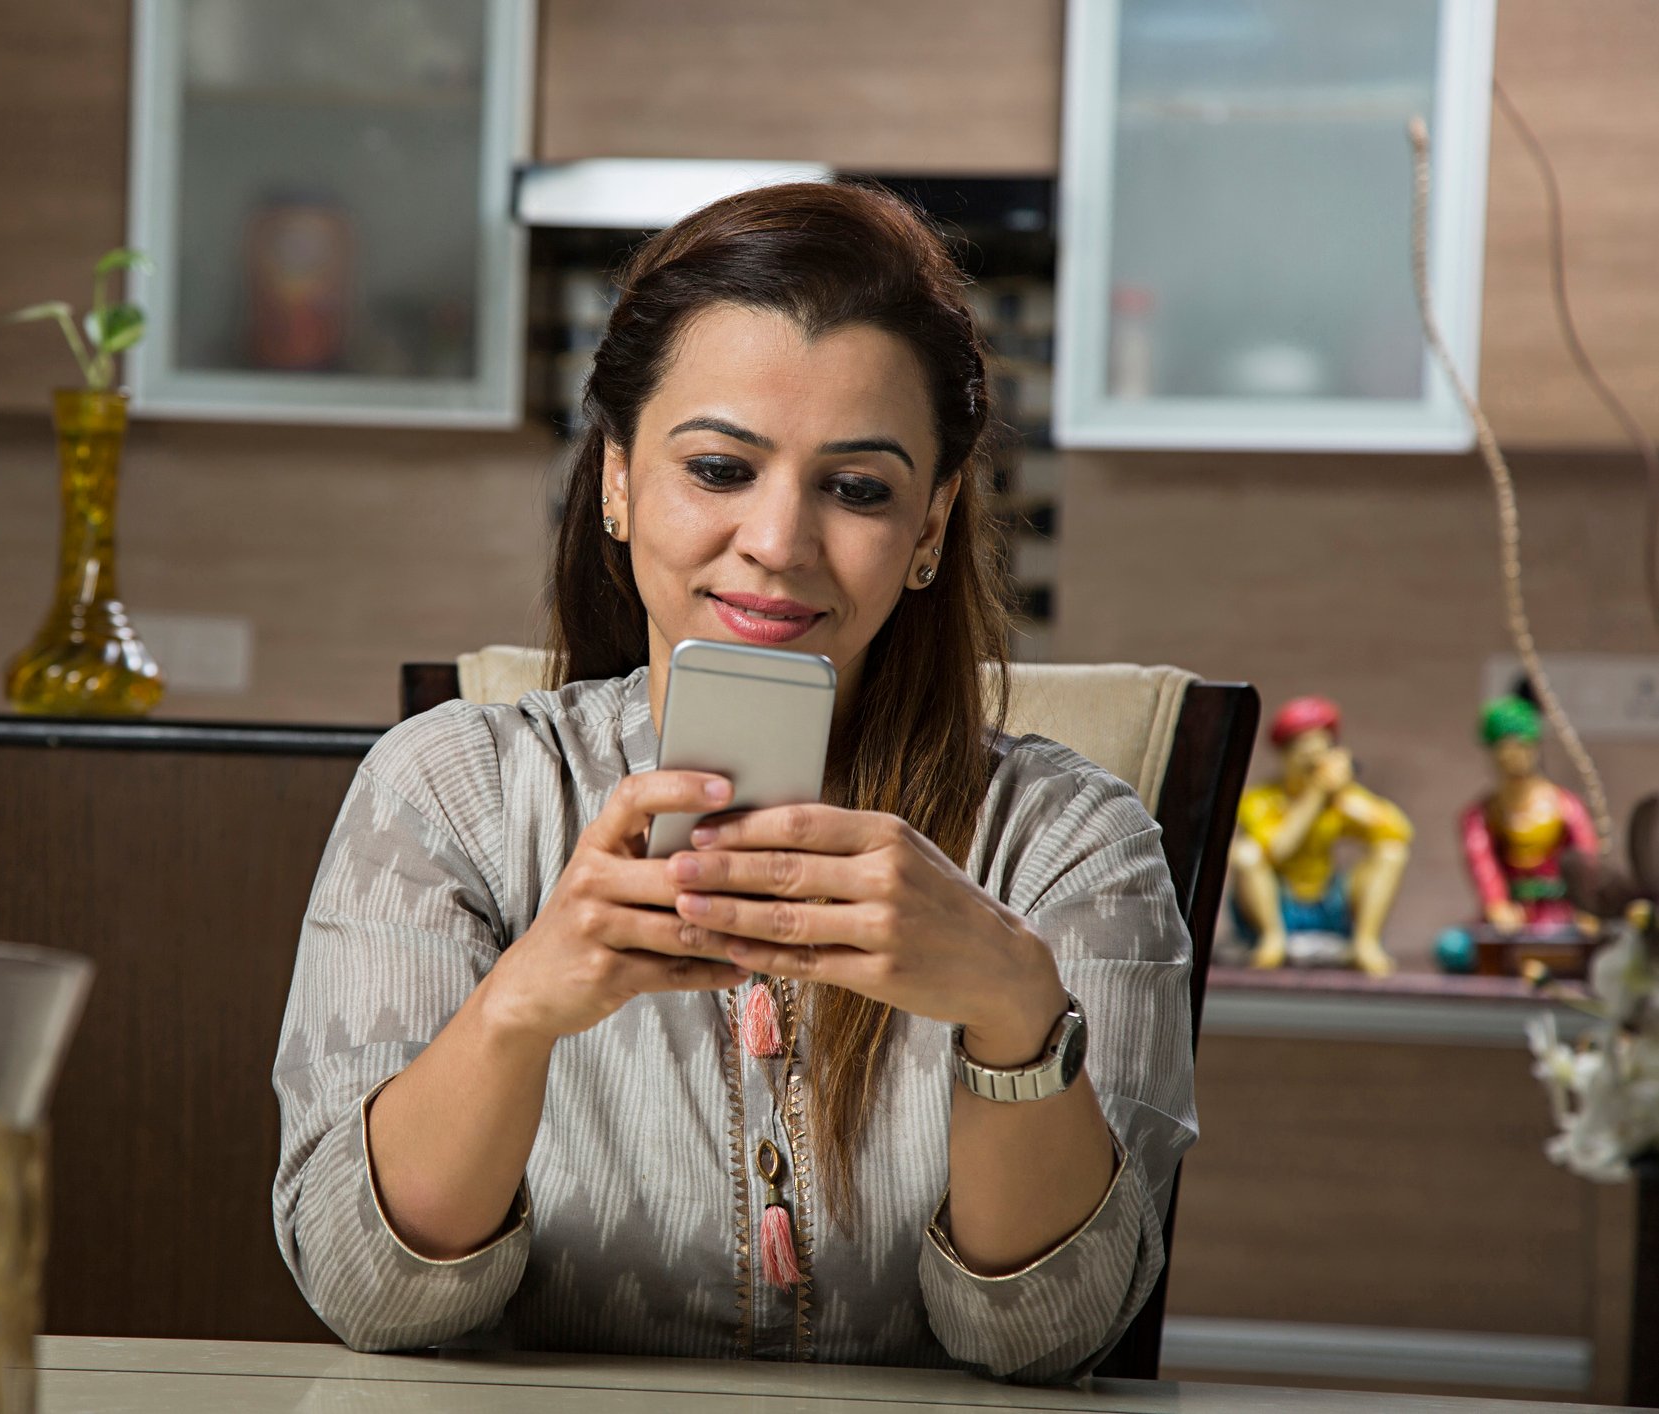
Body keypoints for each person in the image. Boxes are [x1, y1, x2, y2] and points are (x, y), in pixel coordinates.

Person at [272, 181, 1195, 1382]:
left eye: (858, 487)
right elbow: (368, 1294)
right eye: (719, 467)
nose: (777, 538)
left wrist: (1016, 1013)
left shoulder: (1074, 841)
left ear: (931, 524)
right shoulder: (447, 793)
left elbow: (1051, 1337)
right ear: (615, 478)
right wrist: (518, 1007)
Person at [1229, 696, 1412, 977]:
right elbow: (1278, 850)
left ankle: (1366, 942)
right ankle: (1272, 939)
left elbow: (1399, 832)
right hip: (1282, 901)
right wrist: (1314, 794)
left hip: (1327, 900)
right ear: (1285, 755)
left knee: (1391, 852)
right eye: (1303, 753)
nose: (1312, 763)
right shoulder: (1260, 800)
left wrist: (1347, 795)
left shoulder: (1338, 799)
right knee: (1246, 854)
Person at [1458, 695, 1598, 937]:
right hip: (1510, 919)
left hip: (1562, 915)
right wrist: (1497, 905)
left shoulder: (1566, 806)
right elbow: (1483, 867)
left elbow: (1585, 857)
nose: (1512, 756)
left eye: (1520, 746)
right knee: (1455, 948)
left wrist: (1586, 906)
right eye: (1503, 748)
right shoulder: (1481, 816)